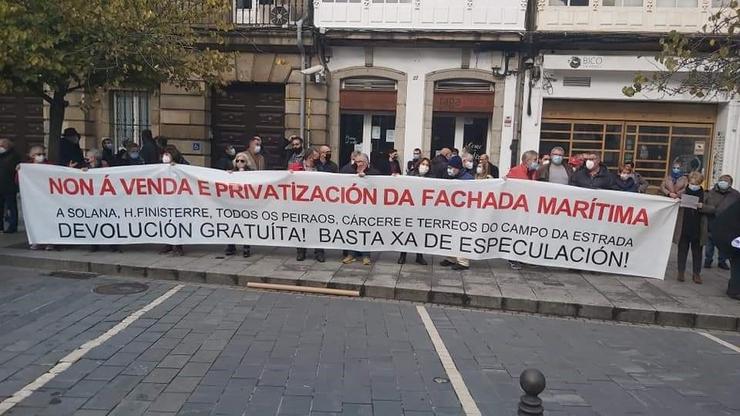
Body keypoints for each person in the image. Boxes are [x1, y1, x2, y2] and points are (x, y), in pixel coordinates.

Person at [342, 153, 380, 266]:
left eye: (361, 162)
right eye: (357, 162)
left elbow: (378, 185)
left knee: (365, 231)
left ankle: (366, 255)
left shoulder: (374, 172)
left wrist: (366, 177)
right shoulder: (349, 171)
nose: (358, 164)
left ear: (367, 162)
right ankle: (351, 254)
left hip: (367, 208)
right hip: (352, 207)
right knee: (352, 230)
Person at [438, 156, 473, 270]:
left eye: (452, 168)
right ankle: (451, 258)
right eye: (448, 167)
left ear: (458, 168)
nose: (449, 170)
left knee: (462, 236)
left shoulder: (468, 179)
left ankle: (463, 261)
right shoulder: (450, 177)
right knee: (450, 235)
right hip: (451, 212)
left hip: (464, 213)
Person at [673, 171, 707, 284]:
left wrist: (703, 206)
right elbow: (672, 202)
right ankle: (680, 272)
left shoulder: (705, 195)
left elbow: (712, 208)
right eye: (693, 183)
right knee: (682, 250)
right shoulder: (682, 192)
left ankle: (696, 274)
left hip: (698, 228)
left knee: (697, 252)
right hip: (684, 226)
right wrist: (677, 201)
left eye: (697, 183)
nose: (694, 185)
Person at [397, 157, 431, 266]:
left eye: (427, 165)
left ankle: (419, 256)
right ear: (418, 164)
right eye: (423, 164)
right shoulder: (411, 175)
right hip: (410, 209)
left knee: (420, 233)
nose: (424, 167)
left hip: (423, 210)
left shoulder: (432, 178)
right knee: (406, 232)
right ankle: (403, 255)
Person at [703, 175, 739, 270]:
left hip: (727, 224)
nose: (723, 182)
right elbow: (702, 206)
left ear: (730, 183)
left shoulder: (735, 195)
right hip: (712, 221)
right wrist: (712, 209)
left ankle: (722, 261)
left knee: (724, 243)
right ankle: (708, 260)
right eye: (721, 180)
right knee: (709, 243)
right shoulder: (710, 193)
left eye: (726, 181)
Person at [296, 148, 326, 262]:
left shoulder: (320, 168)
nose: (317, 159)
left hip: (317, 202)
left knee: (318, 226)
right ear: (309, 157)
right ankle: (301, 251)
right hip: (301, 202)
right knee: (301, 227)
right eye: (315, 157)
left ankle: (319, 252)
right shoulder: (297, 167)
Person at [159, 145, 187, 256]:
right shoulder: (160, 166)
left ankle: (179, 246)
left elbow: (188, 172)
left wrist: (178, 167)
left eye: (167, 154)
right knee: (167, 221)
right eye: (164, 154)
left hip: (178, 198)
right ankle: (168, 245)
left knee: (178, 221)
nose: (164, 157)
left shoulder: (182, 163)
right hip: (165, 198)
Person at [710, 199, 740, 300]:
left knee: (737, 262)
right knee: (737, 261)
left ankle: (734, 289)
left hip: (729, 233)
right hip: (731, 234)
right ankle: (735, 290)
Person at [225, 152, 253, 258]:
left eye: (242, 161)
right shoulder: (231, 173)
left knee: (245, 225)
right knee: (232, 223)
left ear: (246, 162)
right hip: (233, 203)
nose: (239, 163)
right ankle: (231, 246)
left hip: (246, 204)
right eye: (237, 160)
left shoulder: (252, 173)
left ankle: (246, 247)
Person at [0, 138, 21, 234]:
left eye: (2, 146)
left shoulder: (14, 156)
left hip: (9, 186)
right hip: (2, 185)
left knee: (11, 207)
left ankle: (12, 226)